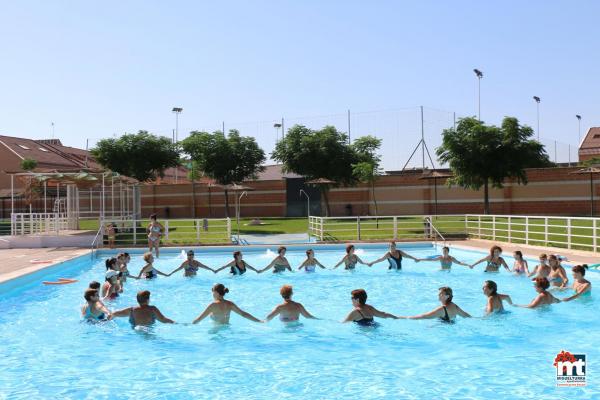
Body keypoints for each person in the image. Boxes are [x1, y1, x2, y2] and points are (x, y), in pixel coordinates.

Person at [192, 284, 263, 325]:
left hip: (216, 332)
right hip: (227, 329)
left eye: (213, 292)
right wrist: (259, 321)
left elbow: (198, 320)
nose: (212, 294)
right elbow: (244, 314)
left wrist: (187, 325)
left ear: (216, 292)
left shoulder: (212, 305)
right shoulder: (230, 304)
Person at [398, 287, 471, 322]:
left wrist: (403, 317)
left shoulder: (442, 309)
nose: (438, 295)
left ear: (447, 296)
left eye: (441, 294)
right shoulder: (455, 306)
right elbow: (466, 315)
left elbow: (424, 316)